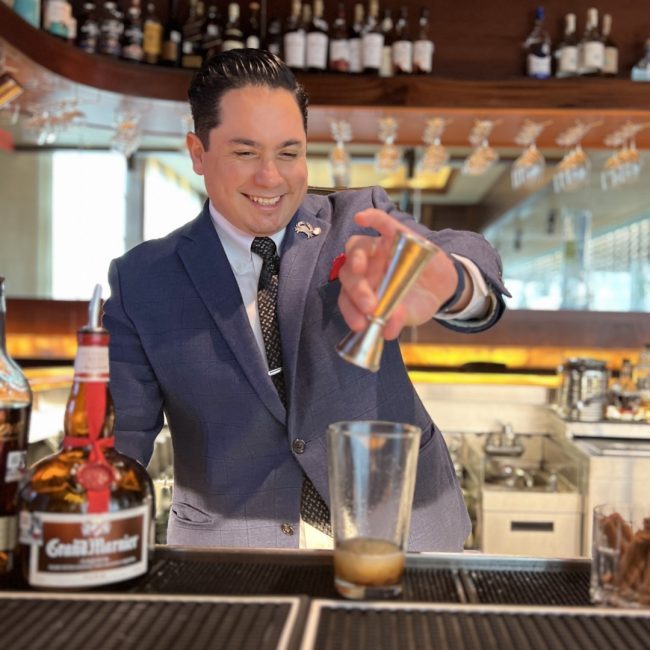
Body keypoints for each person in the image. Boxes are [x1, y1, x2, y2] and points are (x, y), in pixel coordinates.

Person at [103, 49, 509, 552]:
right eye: (245, 152)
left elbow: (461, 253)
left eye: (289, 153)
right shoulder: (142, 279)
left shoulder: (359, 219)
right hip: (234, 553)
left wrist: (454, 284)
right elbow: (120, 438)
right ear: (197, 152)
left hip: (400, 530)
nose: (271, 177)